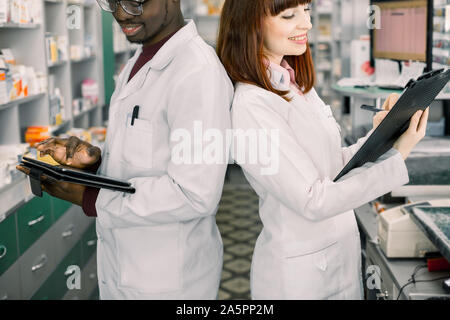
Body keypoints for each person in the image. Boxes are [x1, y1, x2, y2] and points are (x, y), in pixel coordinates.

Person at [18, 0, 233, 299]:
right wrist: (94, 163)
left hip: (168, 280)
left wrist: (91, 196)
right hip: (126, 268)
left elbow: (195, 194)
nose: (120, 13)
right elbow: (147, 155)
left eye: (134, 1)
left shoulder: (198, 73)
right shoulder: (140, 59)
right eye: (112, 1)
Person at [217, 0, 429, 299]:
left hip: (333, 259)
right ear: (249, 25)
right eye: (290, 15)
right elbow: (313, 199)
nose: (307, 24)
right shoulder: (252, 105)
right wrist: (398, 155)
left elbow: (331, 164)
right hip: (302, 278)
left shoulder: (292, 83)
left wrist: (385, 135)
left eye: (307, 11)